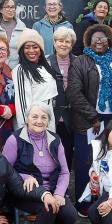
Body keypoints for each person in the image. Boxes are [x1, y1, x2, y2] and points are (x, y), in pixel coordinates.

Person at [2, 103, 77, 224]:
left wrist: (58, 194)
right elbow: (5, 170)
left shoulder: (55, 139)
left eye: (44, 117)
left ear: (49, 121)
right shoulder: (15, 139)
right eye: (34, 116)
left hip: (51, 190)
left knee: (70, 214)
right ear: (26, 119)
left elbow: (65, 172)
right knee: (48, 208)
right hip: (24, 191)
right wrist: (25, 176)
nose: (39, 120)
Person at [66, 24, 112, 205]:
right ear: (89, 42)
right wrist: (93, 117)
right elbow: (74, 93)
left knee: (106, 161)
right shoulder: (81, 61)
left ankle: (103, 198)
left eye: (103, 38)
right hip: (89, 121)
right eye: (95, 39)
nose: (99, 41)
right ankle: (84, 202)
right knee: (86, 162)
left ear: (109, 42)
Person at [12, 29, 58, 132]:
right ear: (21, 51)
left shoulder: (45, 67)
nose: (31, 51)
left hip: (47, 120)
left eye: (35, 47)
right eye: (27, 47)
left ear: (41, 50)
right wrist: (26, 132)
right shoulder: (20, 70)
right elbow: (22, 105)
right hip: (33, 126)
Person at [48, 26, 77, 169]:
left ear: (71, 45)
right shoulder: (46, 62)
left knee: (66, 154)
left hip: (71, 117)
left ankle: (64, 189)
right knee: (49, 155)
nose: (63, 44)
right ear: (54, 43)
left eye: (67, 41)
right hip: (50, 116)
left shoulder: (78, 62)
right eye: (60, 41)